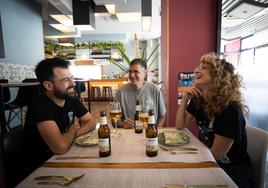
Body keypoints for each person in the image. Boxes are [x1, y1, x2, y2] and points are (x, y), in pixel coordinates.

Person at [175, 53, 253, 187]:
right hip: (209, 162)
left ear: (218, 76)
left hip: (231, 171)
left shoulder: (230, 108)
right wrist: (185, 99)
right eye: (198, 67)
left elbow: (216, 155)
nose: (196, 70)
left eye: (203, 67)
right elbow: (179, 126)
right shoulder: (198, 100)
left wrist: (187, 161)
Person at [24, 58, 96, 166]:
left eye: (72, 78)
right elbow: (60, 148)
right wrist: (71, 131)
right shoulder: (39, 106)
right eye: (65, 80)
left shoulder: (70, 97)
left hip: (65, 155)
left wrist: (70, 135)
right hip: (41, 165)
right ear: (48, 85)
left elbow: (92, 122)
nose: (74, 84)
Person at [115, 58, 166, 128]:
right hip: (129, 134)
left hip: (149, 135)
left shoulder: (155, 90)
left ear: (145, 73)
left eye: (136, 72)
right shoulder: (120, 92)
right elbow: (114, 120)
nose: (132, 75)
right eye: (130, 72)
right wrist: (122, 124)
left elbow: (162, 115)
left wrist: (157, 131)